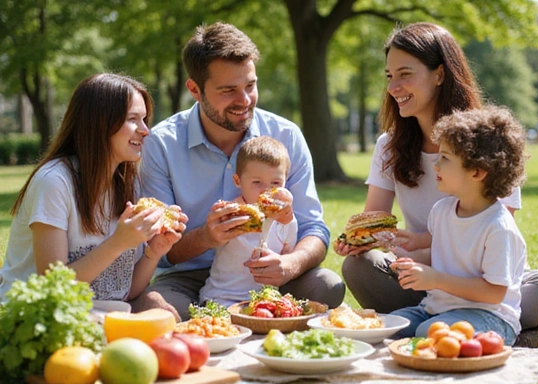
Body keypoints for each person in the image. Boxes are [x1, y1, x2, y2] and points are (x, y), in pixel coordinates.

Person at [336, 22, 538, 353]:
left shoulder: (488, 143)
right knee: (359, 267)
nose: (394, 86)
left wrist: (427, 265)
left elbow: (483, 242)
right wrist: (363, 242)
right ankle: (496, 336)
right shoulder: (388, 146)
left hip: (480, 283)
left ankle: (495, 332)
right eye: (389, 76)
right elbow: (374, 222)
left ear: (440, 74)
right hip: (423, 286)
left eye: (405, 74)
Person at [130, 21, 345, 321]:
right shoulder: (162, 145)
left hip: (271, 273)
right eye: (228, 90)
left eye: (250, 85)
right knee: (156, 308)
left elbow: (314, 229)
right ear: (194, 89)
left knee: (327, 286)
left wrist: (290, 265)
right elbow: (159, 250)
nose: (244, 101)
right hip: (190, 277)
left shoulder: (286, 136)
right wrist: (206, 236)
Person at [0, 73, 187, 303]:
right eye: (132, 119)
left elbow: (123, 292)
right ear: (100, 124)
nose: (145, 130)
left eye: (144, 119)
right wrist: (118, 243)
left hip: (99, 316)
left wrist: (154, 251)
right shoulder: (54, 182)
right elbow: (53, 289)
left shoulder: (127, 182)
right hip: (38, 321)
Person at [388, 106, 527, 346]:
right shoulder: (441, 211)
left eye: (445, 158)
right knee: (386, 326)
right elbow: (438, 252)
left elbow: (494, 293)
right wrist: (405, 257)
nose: (436, 165)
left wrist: (436, 279)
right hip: (435, 310)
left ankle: (517, 342)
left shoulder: (498, 227)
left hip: (490, 316)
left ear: (477, 171)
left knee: (428, 333)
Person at [199, 136, 298, 307]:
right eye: (257, 182)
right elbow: (215, 234)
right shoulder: (230, 213)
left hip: (265, 300)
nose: (266, 190)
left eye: (275, 183)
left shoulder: (285, 220)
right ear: (238, 181)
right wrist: (222, 217)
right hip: (223, 297)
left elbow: (288, 251)